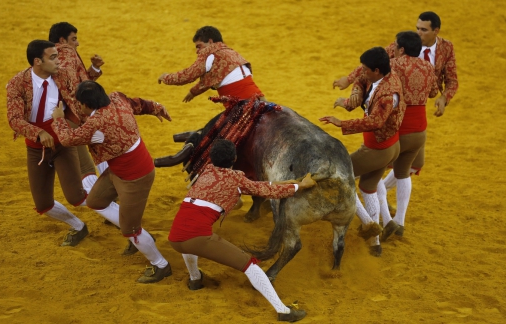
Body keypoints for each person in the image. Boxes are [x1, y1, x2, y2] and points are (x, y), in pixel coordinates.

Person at [168, 139, 315, 322]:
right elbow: (264, 190)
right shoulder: (236, 178)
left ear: (212, 158)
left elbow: (259, 185)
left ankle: (195, 279)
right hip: (196, 237)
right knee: (250, 264)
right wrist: (299, 186)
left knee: (188, 243)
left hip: (175, 237)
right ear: (235, 158)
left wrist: (288, 182)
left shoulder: (206, 171)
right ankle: (283, 311)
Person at [334, 11, 458, 221]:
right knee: (395, 165)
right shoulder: (406, 48)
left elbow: (451, 80)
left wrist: (445, 98)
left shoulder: (444, 48)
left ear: (436, 31)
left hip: (401, 117)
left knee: (401, 165)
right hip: (408, 119)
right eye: (417, 28)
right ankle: (392, 218)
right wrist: (349, 78)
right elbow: (375, 60)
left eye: (424, 30)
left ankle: (380, 210)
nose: (419, 33)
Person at [51, 80, 173, 283]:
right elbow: (140, 104)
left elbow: (68, 140)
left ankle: (161, 265)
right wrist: (157, 108)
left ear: (87, 105)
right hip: (119, 170)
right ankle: (139, 234)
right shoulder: (117, 98)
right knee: (95, 201)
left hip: (136, 177)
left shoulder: (96, 123)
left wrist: (58, 120)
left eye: (80, 103)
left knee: (130, 230)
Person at [320, 47, 406, 256]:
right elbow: (360, 78)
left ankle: (368, 223)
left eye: (366, 70)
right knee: (368, 188)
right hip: (390, 146)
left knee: (339, 176)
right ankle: (375, 243)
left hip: (378, 150)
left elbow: (375, 121)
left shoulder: (387, 95)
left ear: (377, 70)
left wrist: (342, 123)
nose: (362, 72)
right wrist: (353, 91)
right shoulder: (386, 75)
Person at [7, 40, 91, 246]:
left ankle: (118, 214)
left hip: (62, 143)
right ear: (38, 61)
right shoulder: (17, 83)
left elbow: (85, 89)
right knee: (43, 204)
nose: (58, 61)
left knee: (76, 196)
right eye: (53, 57)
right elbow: (14, 119)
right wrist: (38, 133)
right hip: (36, 149)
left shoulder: (63, 75)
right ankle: (78, 226)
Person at [156, 26, 265, 166]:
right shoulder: (230, 52)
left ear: (210, 41)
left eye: (199, 46)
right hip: (260, 99)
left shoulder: (209, 53)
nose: (197, 51)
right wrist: (193, 92)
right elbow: (212, 78)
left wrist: (166, 77)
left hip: (242, 107)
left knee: (215, 139)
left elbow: (187, 75)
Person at [374, 31, 438, 240]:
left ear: (400, 49)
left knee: (373, 173)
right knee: (404, 172)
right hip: (419, 127)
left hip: (397, 124)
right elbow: (433, 92)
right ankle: (400, 220)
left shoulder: (393, 66)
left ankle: (383, 219)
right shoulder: (428, 66)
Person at [49, 22, 107, 193]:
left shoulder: (48, 58)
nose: (77, 43)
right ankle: (110, 202)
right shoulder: (66, 53)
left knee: (91, 161)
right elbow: (76, 88)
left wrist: (94, 69)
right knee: (91, 164)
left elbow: (75, 83)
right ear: (62, 40)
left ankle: (112, 199)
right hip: (71, 118)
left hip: (65, 119)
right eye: (74, 39)